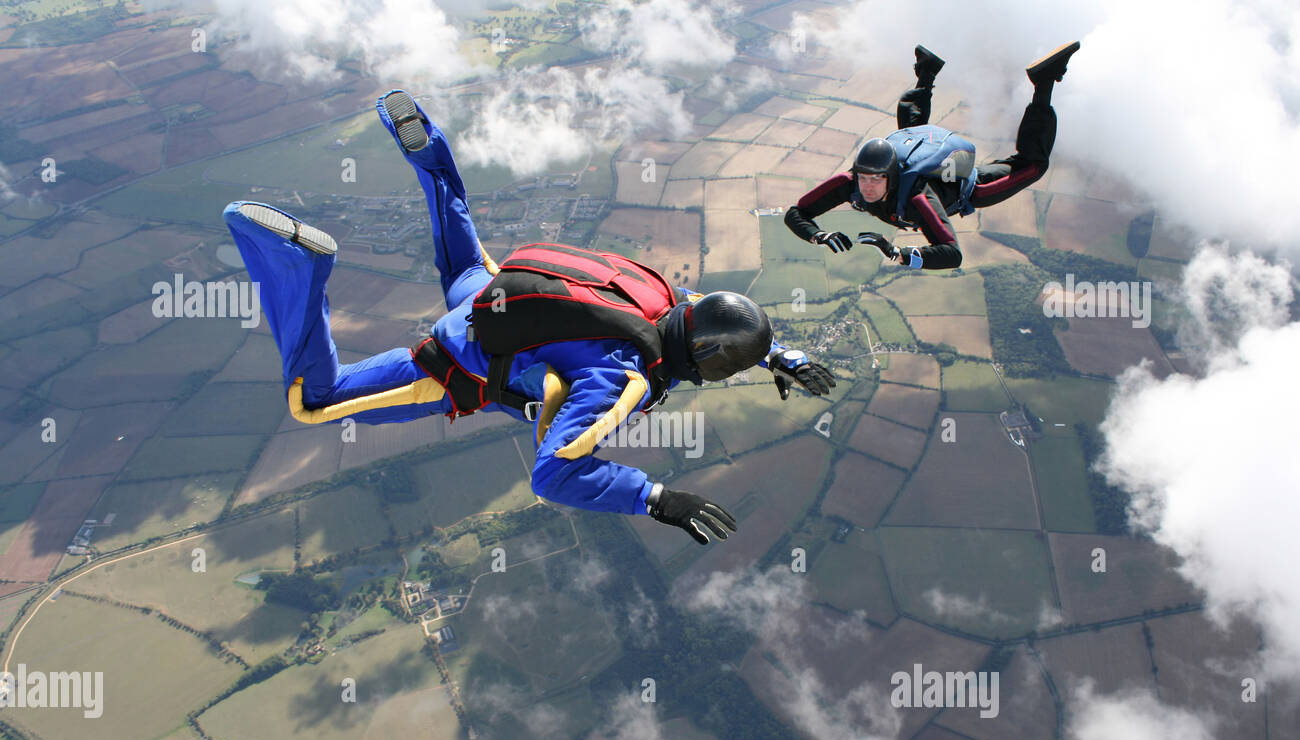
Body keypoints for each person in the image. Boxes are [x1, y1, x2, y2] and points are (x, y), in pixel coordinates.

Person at [223, 91, 834, 546]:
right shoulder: (624, 378)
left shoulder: (661, 294)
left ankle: (432, 155)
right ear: (704, 361)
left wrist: (777, 353)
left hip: (490, 288)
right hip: (455, 362)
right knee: (313, 399)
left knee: (459, 252)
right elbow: (554, 473)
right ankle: (299, 270)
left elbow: (706, 310)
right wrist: (656, 499)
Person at [784, 41, 1080, 270]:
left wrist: (897, 254)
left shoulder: (918, 198)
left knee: (1034, 165)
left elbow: (951, 253)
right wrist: (818, 235)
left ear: (892, 176)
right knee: (912, 130)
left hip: (966, 188)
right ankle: (926, 71)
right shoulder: (849, 182)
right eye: (863, 178)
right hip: (914, 158)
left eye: (877, 179)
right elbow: (796, 213)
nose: (867, 187)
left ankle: (1045, 82)